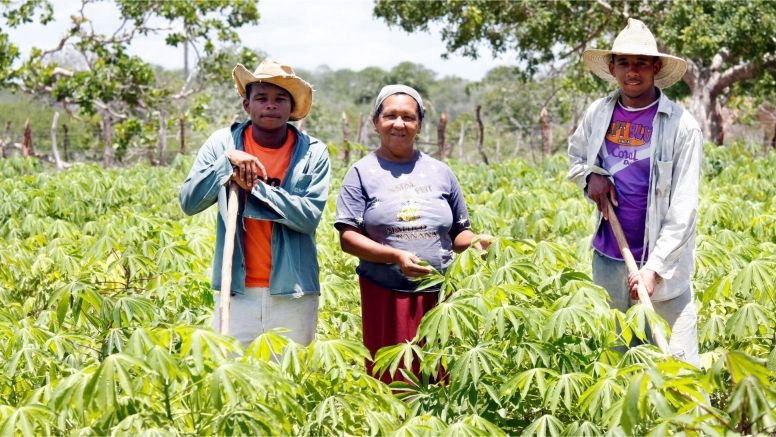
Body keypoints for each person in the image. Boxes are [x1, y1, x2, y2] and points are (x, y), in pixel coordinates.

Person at [568, 18, 703, 366]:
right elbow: (577, 157)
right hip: (610, 259)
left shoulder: (681, 126)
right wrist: (590, 178)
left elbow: (684, 208)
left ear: (655, 67)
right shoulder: (598, 114)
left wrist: (653, 269)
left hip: (664, 267)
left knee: (677, 365)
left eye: (641, 63)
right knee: (619, 361)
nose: (632, 71)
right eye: (624, 62)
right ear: (612, 67)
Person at [335, 84, 491, 383]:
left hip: (439, 294)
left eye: (408, 117)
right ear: (375, 121)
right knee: (393, 378)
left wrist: (477, 242)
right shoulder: (361, 172)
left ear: (419, 124)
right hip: (385, 292)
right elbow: (348, 238)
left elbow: (459, 234)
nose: (399, 124)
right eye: (390, 116)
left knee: (440, 375)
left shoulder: (441, 172)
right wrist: (395, 256)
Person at [179, 59, 331, 348]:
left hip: (294, 291)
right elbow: (189, 201)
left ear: (292, 108)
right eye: (261, 98)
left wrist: (256, 188)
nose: (270, 105)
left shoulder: (313, 153)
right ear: (247, 105)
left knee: (289, 373)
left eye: (280, 99)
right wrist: (226, 165)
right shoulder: (222, 144)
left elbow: (308, 217)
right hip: (236, 289)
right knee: (234, 372)